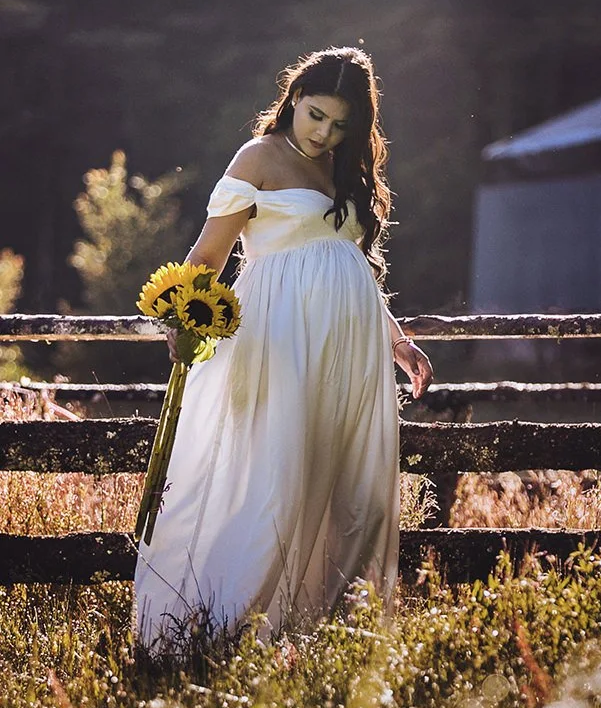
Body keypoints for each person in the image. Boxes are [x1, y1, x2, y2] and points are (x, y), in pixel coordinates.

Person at [134, 45, 432, 649]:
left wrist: (397, 342)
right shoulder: (260, 158)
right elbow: (209, 254)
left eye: (341, 124)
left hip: (347, 349)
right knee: (277, 479)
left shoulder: (347, 173)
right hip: (280, 339)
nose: (324, 133)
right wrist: (183, 318)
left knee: (351, 485)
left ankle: (325, 634)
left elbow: (353, 266)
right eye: (316, 114)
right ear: (294, 99)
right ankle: (217, 630)